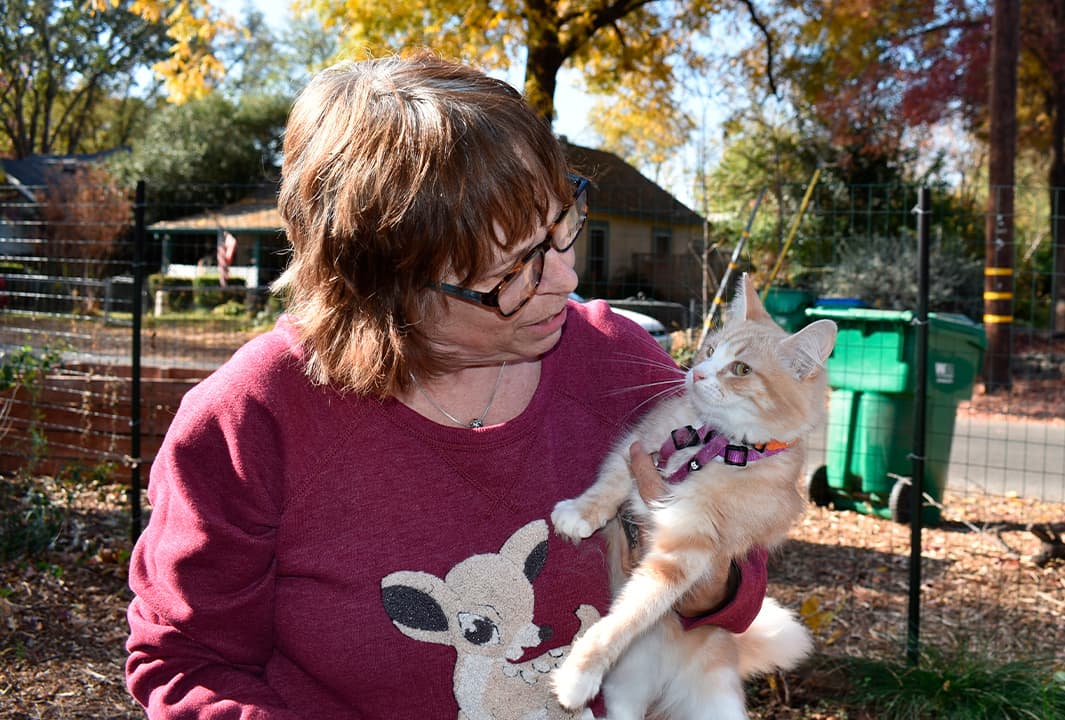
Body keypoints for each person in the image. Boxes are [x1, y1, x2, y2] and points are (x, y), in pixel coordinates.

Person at [124, 50, 765, 719]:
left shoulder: (616, 369)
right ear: (385, 288)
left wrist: (699, 570)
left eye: (558, 227)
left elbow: (739, 581)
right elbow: (188, 663)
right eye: (511, 271)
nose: (565, 280)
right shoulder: (252, 420)